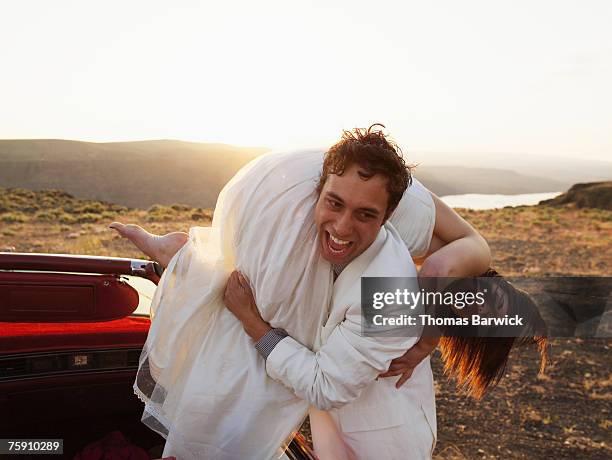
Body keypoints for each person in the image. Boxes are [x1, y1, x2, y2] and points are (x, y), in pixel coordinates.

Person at [111, 126, 545, 459]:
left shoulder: (396, 263)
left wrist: (249, 318)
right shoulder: (408, 236)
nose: (341, 223)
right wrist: (425, 340)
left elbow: (321, 375)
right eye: (335, 204)